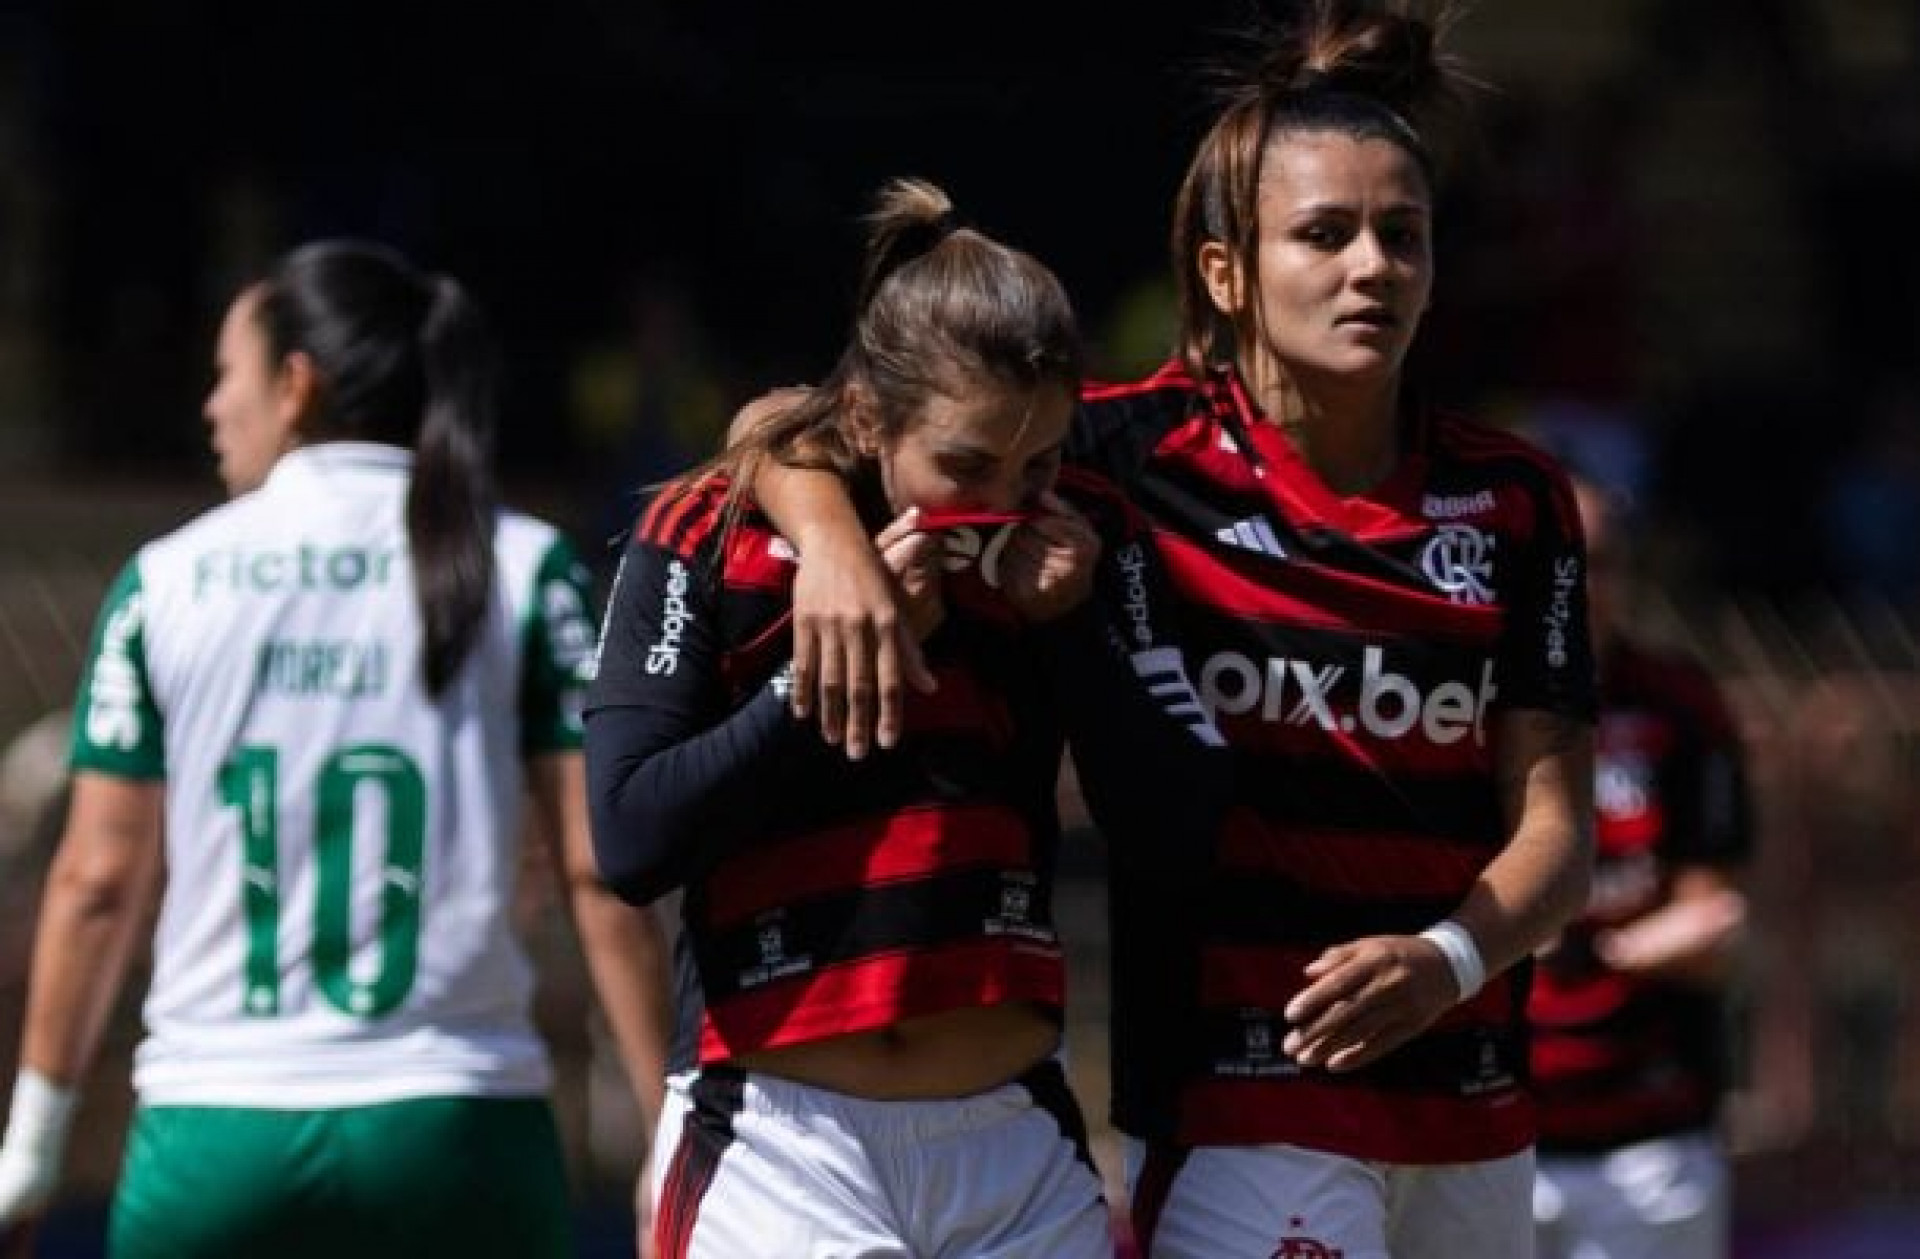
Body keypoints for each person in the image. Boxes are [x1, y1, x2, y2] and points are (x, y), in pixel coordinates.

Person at [738, 3, 1598, 1255]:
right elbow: (788, 421)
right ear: (1224, 271)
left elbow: (1557, 835)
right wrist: (824, 541)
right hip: (1237, 1095)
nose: (1374, 267)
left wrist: (1450, 957)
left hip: (1469, 1095)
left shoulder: (1518, 498)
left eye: (1402, 236)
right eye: (1326, 234)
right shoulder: (1119, 452)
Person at [0, 240, 673, 1259]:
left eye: (226, 375)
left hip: (217, 1130)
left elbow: (96, 880)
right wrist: (671, 1125)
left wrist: (33, 1146)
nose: (211, 407)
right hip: (459, 1129)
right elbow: (596, 862)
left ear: (296, 384)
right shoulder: (524, 565)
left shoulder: (167, 580)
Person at [586, 176, 1213, 1259]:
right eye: (968, 466)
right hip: (778, 1137)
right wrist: (815, 667)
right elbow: (632, 834)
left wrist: (1071, 629)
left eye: (1039, 461)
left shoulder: (1087, 537)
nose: (1004, 499)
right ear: (871, 417)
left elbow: (1181, 826)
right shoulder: (710, 526)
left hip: (1014, 1139)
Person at [1530, 478, 1751, 1259]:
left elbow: (1712, 921)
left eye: (1600, 562)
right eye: (1555, 561)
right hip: (1498, 1132)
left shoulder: (1677, 704)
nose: (1580, 586)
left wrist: (1599, 949)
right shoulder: (1466, 703)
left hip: (1652, 1138)